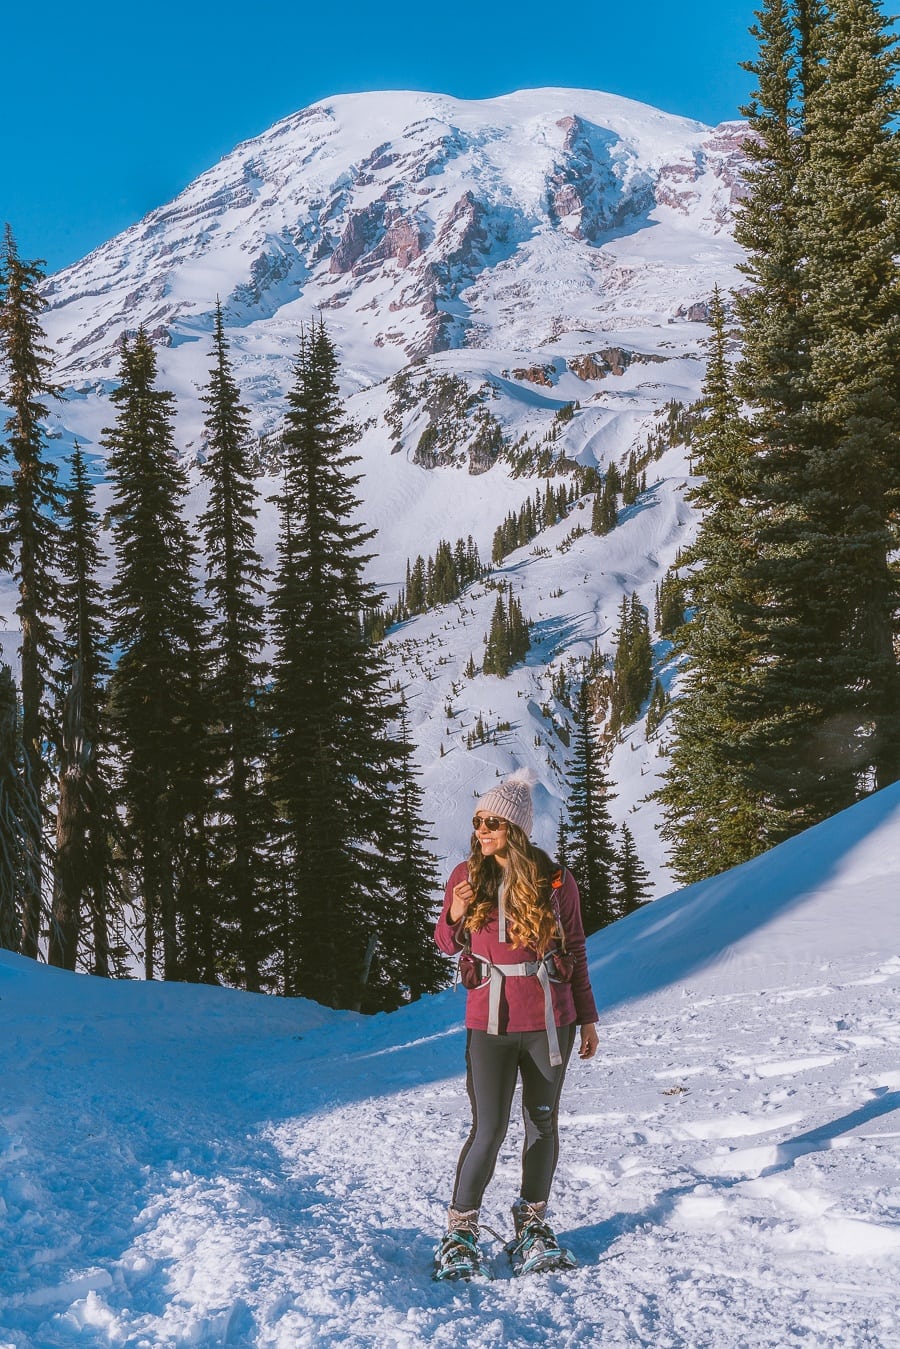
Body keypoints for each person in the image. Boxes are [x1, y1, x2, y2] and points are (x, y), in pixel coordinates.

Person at [433, 768, 599, 1279]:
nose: (481, 830)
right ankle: (460, 1233)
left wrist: (588, 1017)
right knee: (489, 1128)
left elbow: (575, 949)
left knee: (542, 1123)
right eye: (478, 821)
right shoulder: (464, 878)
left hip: (552, 1020)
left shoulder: (555, 880)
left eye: (492, 823)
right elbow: (444, 944)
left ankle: (532, 1226)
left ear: (517, 829)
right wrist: (454, 915)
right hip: (488, 1022)